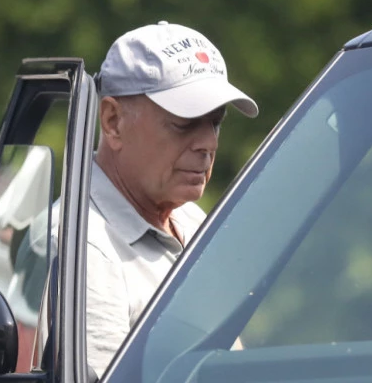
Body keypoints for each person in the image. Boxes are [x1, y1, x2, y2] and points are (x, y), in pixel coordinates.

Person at [61, 21, 259, 376]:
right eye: (184, 123)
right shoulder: (82, 247)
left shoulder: (193, 221)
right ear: (113, 121)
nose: (209, 143)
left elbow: (232, 367)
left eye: (216, 122)